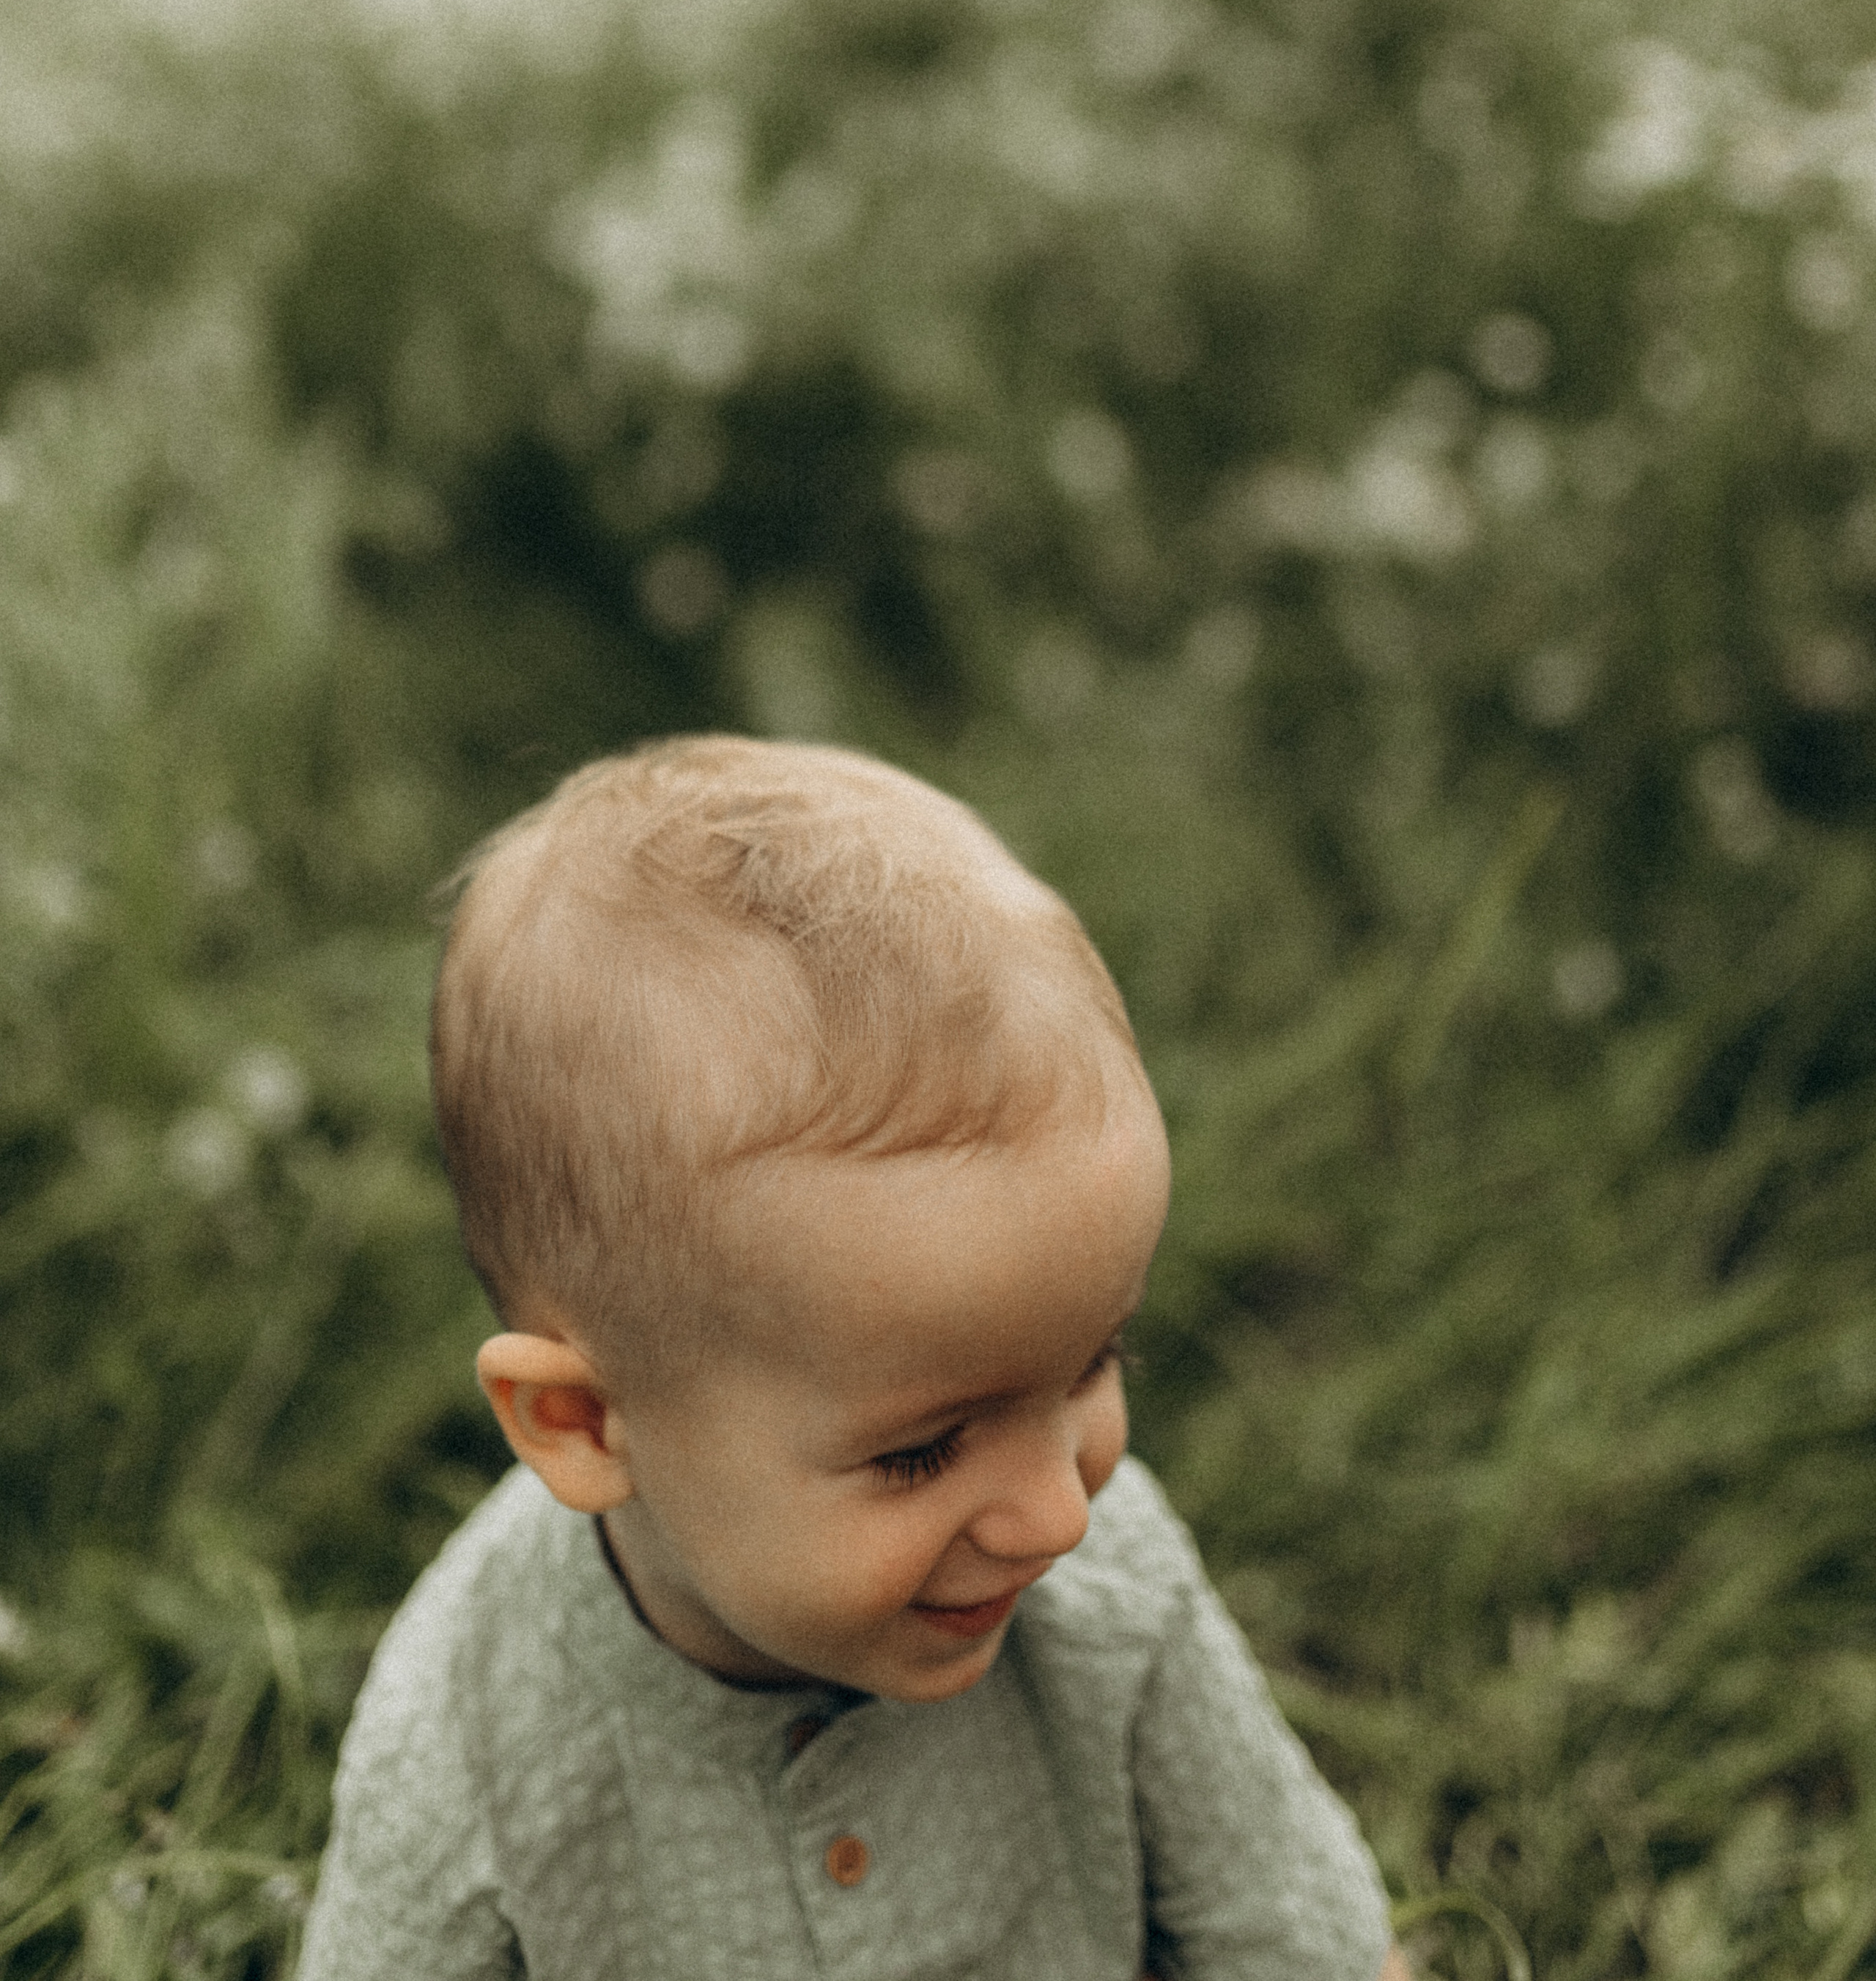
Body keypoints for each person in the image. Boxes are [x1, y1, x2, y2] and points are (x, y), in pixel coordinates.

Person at [302, 736, 1404, 1981]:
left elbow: (1302, 1943)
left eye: (1096, 1363)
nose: (1058, 1515)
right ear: (586, 1425)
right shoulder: (470, 1734)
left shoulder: (1110, 1602)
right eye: (922, 1450)